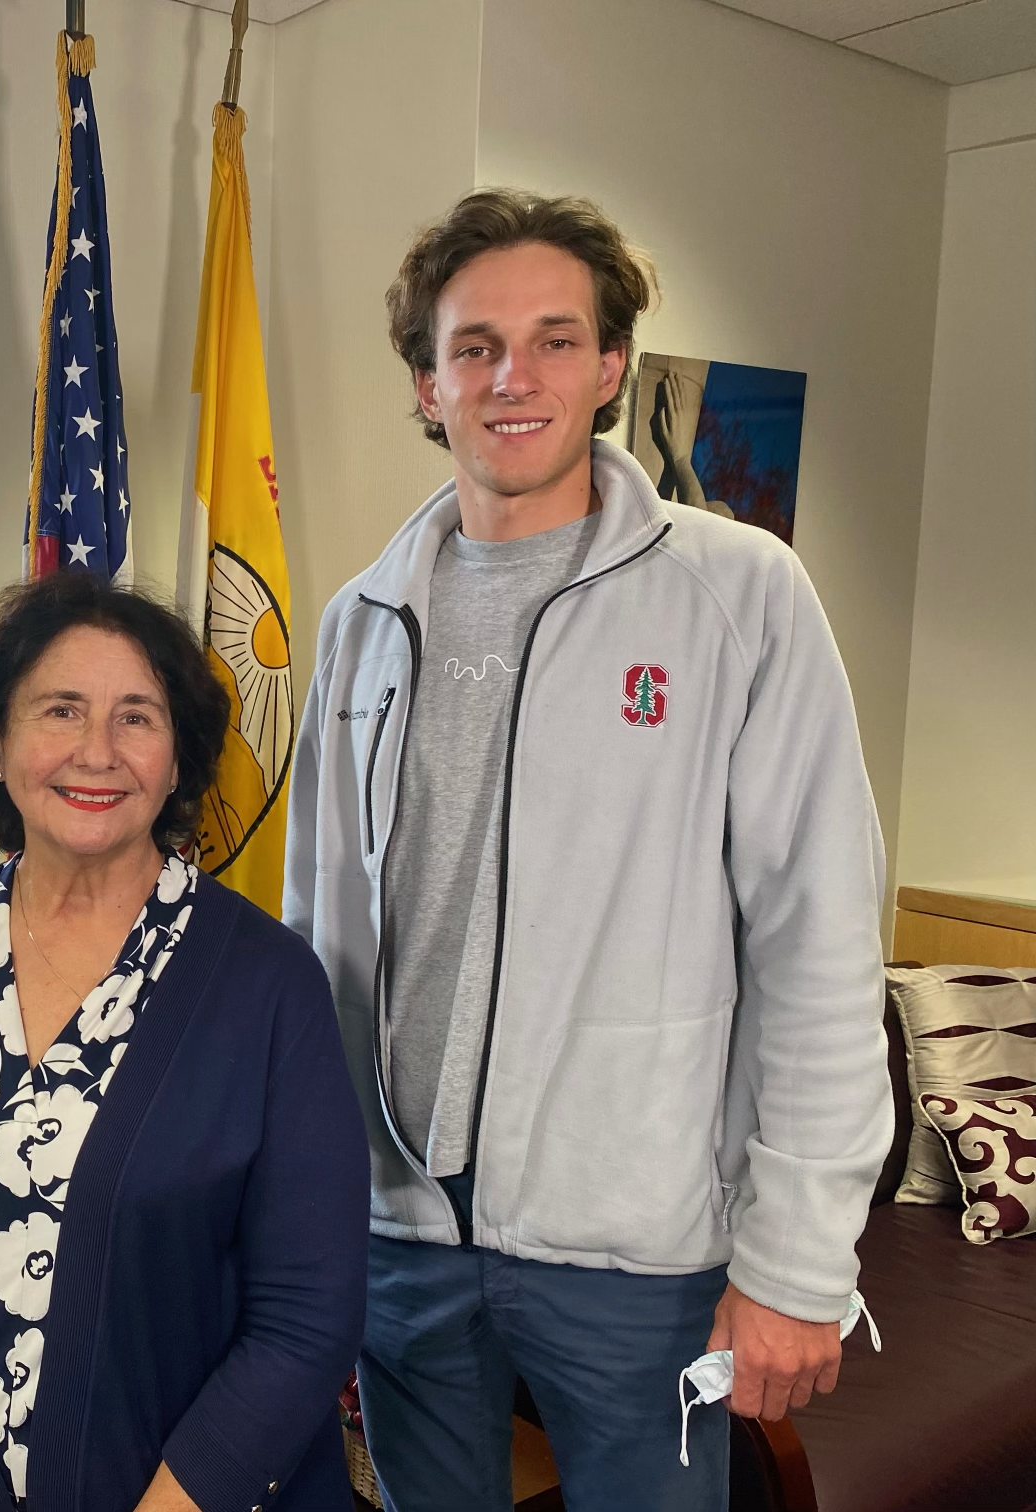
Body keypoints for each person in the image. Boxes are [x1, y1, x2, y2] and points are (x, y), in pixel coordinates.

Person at [283, 189, 888, 1512]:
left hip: (639, 1256)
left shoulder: (739, 597)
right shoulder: (359, 623)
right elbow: (321, 933)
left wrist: (798, 1260)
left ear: (612, 366)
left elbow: (821, 943)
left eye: (556, 340)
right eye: (476, 345)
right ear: (427, 382)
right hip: (401, 1234)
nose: (515, 376)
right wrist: (310, 1209)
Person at [0, 573, 371, 1512]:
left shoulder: (270, 985)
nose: (96, 752)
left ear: (179, 756)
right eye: (61, 710)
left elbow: (307, 1318)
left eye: (137, 718)